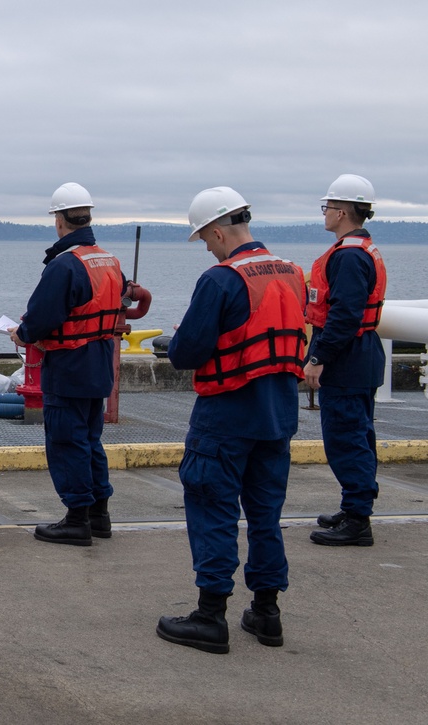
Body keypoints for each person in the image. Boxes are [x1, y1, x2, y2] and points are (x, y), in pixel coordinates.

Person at [156, 187, 307, 654]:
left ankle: (210, 616)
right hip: (278, 416)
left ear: (220, 231)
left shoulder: (221, 280)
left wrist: (174, 343)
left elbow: (188, 352)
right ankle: (266, 613)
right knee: (266, 516)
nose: (206, 246)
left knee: (213, 509)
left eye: (205, 238)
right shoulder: (293, 272)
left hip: (226, 415)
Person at [8, 182, 126, 547]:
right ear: (87, 216)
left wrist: (21, 333)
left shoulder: (64, 266)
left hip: (70, 365)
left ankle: (76, 519)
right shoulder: (109, 260)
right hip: (100, 363)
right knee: (91, 441)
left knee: (66, 441)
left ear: (59, 220)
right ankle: (99, 514)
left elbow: (41, 318)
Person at [305, 174, 386, 547]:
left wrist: (318, 357)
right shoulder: (361, 250)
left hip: (347, 357)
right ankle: (354, 506)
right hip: (362, 353)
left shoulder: (349, 257)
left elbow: (344, 315)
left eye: (327, 207)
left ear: (340, 211)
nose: (324, 214)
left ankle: (357, 520)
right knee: (358, 435)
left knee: (346, 438)